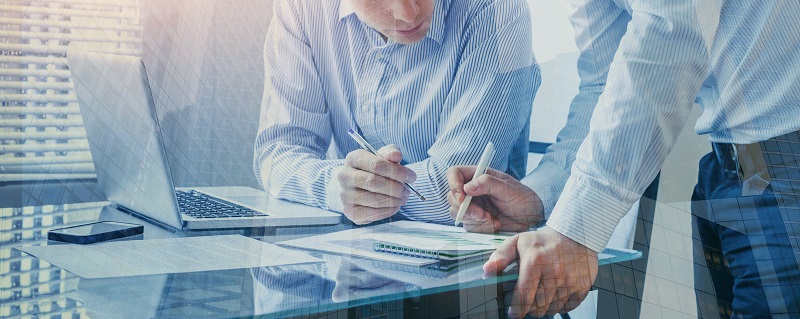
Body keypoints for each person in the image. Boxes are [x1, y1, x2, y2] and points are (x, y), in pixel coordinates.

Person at [447, 0, 800, 318]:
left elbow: (671, 37)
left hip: (786, 167)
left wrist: (575, 229)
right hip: (727, 171)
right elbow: (603, 85)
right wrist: (542, 195)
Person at [254, 0, 540, 225]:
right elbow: (277, 154)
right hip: (342, 262)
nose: (408, 13)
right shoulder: (302, 7)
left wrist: (363, 192)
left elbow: (456, 194)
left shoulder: (498, 9)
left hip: (465, 272)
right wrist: (336, 187)